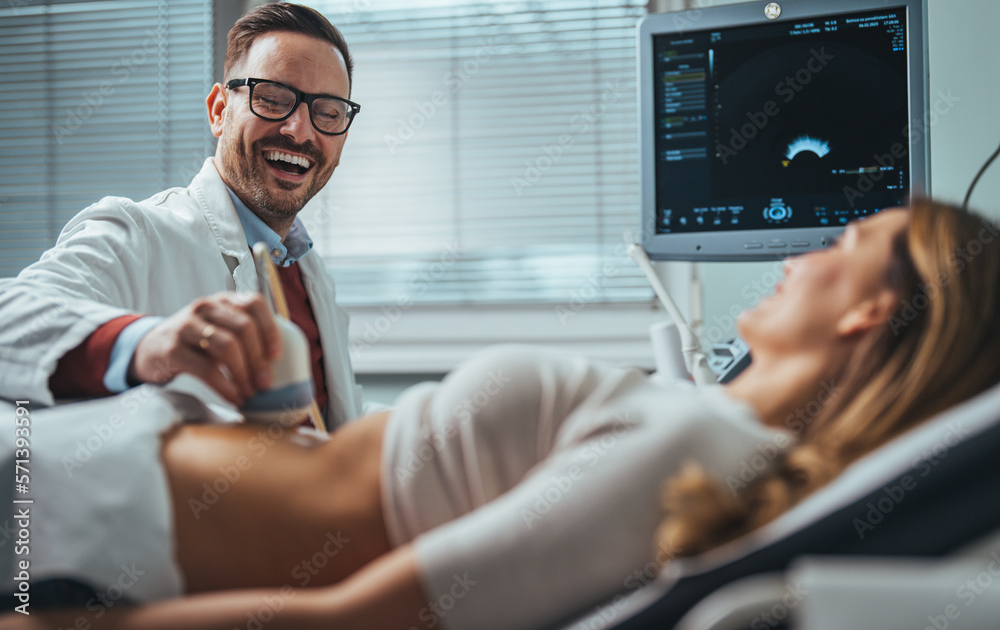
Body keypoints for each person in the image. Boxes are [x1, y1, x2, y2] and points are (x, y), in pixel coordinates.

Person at [5, 200, 1000, 630]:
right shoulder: (698, 427)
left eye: (849, 239)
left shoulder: (703, 448)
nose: (805, 249)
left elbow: (348, 614)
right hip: (100, 478)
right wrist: (279, 398)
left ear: (874, 307)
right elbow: (355, 492)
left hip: (69, 510)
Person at [0, 2, 362, 427]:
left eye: (328, 113)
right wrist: (147, 344)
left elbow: (328, 421)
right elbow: (10, 320)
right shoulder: (139, 234)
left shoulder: (309, 271)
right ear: (218, 110)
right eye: (272, 99)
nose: (300, 131)